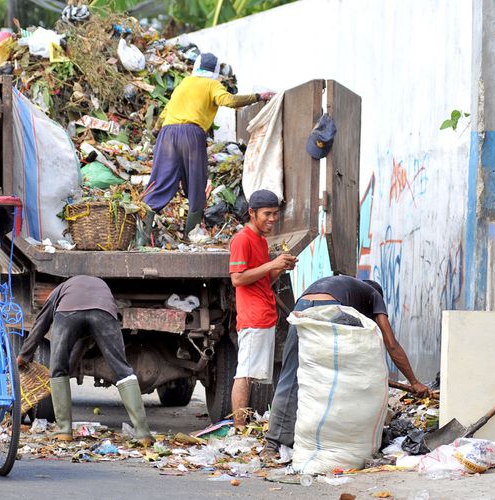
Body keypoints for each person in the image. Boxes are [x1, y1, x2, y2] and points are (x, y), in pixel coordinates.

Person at [259, 275, 433, 461]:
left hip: (302, 305)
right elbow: (391, 344)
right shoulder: (374, 295)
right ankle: (326, 442)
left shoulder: (349, 287)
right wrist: (415, 382)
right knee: (338, 380)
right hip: (331, 308)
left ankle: (272, 445)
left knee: (291, 374)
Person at [139, 53, 275, 244]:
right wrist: (259, 96)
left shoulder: (185, 83)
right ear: (215, 71)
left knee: (161, 180)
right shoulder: (212, 84)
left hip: (167, 134)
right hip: (191, 135)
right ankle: (190, 235)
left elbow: (165, 112)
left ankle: (140, 237)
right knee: (195, 182)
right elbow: (230, 101)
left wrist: (155, 132)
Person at [16, 275, 153, 444]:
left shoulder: (59, 291)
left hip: (68, 312)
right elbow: (86, 335)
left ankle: (64, 430)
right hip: (104, 311)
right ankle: (143, 433)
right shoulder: (102, 287)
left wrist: (24, 355)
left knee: (58, 368)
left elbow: (40, 325)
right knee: (122, 370)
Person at [228, 189, 297, 429]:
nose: (272, 219)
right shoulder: (242, 239)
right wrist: (271, 264)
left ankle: (245, 424)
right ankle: (239, 428)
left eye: (275, 214)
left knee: (252, 374)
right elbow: (237, 279)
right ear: (252, 213)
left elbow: (262, 281)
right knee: (244, 374)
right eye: (267, 214)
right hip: (253, 317)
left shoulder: (260, 240)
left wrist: (280, 268)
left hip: (264, 315)